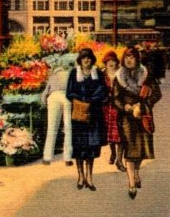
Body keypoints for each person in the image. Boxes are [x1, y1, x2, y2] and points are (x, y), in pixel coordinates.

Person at [112, 47, 162, 199]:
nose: (129, 60)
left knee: (140, 151)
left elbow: (157, 94)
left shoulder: (146, 75)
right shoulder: (119, 77)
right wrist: (126, 107)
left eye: (132, 57)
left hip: (143, 116)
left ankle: (136, 172)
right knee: (130, 150)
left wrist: (143, 105)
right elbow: (115, 98)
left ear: (137, 59)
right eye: (126, 57)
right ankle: (131, 183)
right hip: (127, 117)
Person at [66, 48, 108, 191]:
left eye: (89, 58)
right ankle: (80, 176)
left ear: (92, 60)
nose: (86, 60)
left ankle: (89, 177)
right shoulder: (74, 73)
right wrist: (82, 100)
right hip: (79, 114)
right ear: (80, 60)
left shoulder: (98, 73)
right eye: (84, 58)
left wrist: (91, 100)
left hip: (94, 114)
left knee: (91, 147)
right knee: (79, 147)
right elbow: (69, 92)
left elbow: (103, 90)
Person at [40, 53, 76, 166]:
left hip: (53, 97)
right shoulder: (71, 73)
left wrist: (44, 101)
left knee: (52, 127)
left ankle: (47, 157)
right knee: (68, 127)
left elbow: (46, 92)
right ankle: (68, 158)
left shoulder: (53, 76)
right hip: (67, 96)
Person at [101, 51, 126, 172]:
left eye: (113, 61)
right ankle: (113, 153)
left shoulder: (121, 74)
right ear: (105, 64)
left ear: (117, 62)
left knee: (121, 134)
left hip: (119, 107)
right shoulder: (102, 75)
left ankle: (119, 160)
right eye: (108, 61)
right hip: (106, 107)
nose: (111, 63)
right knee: (109, 133)